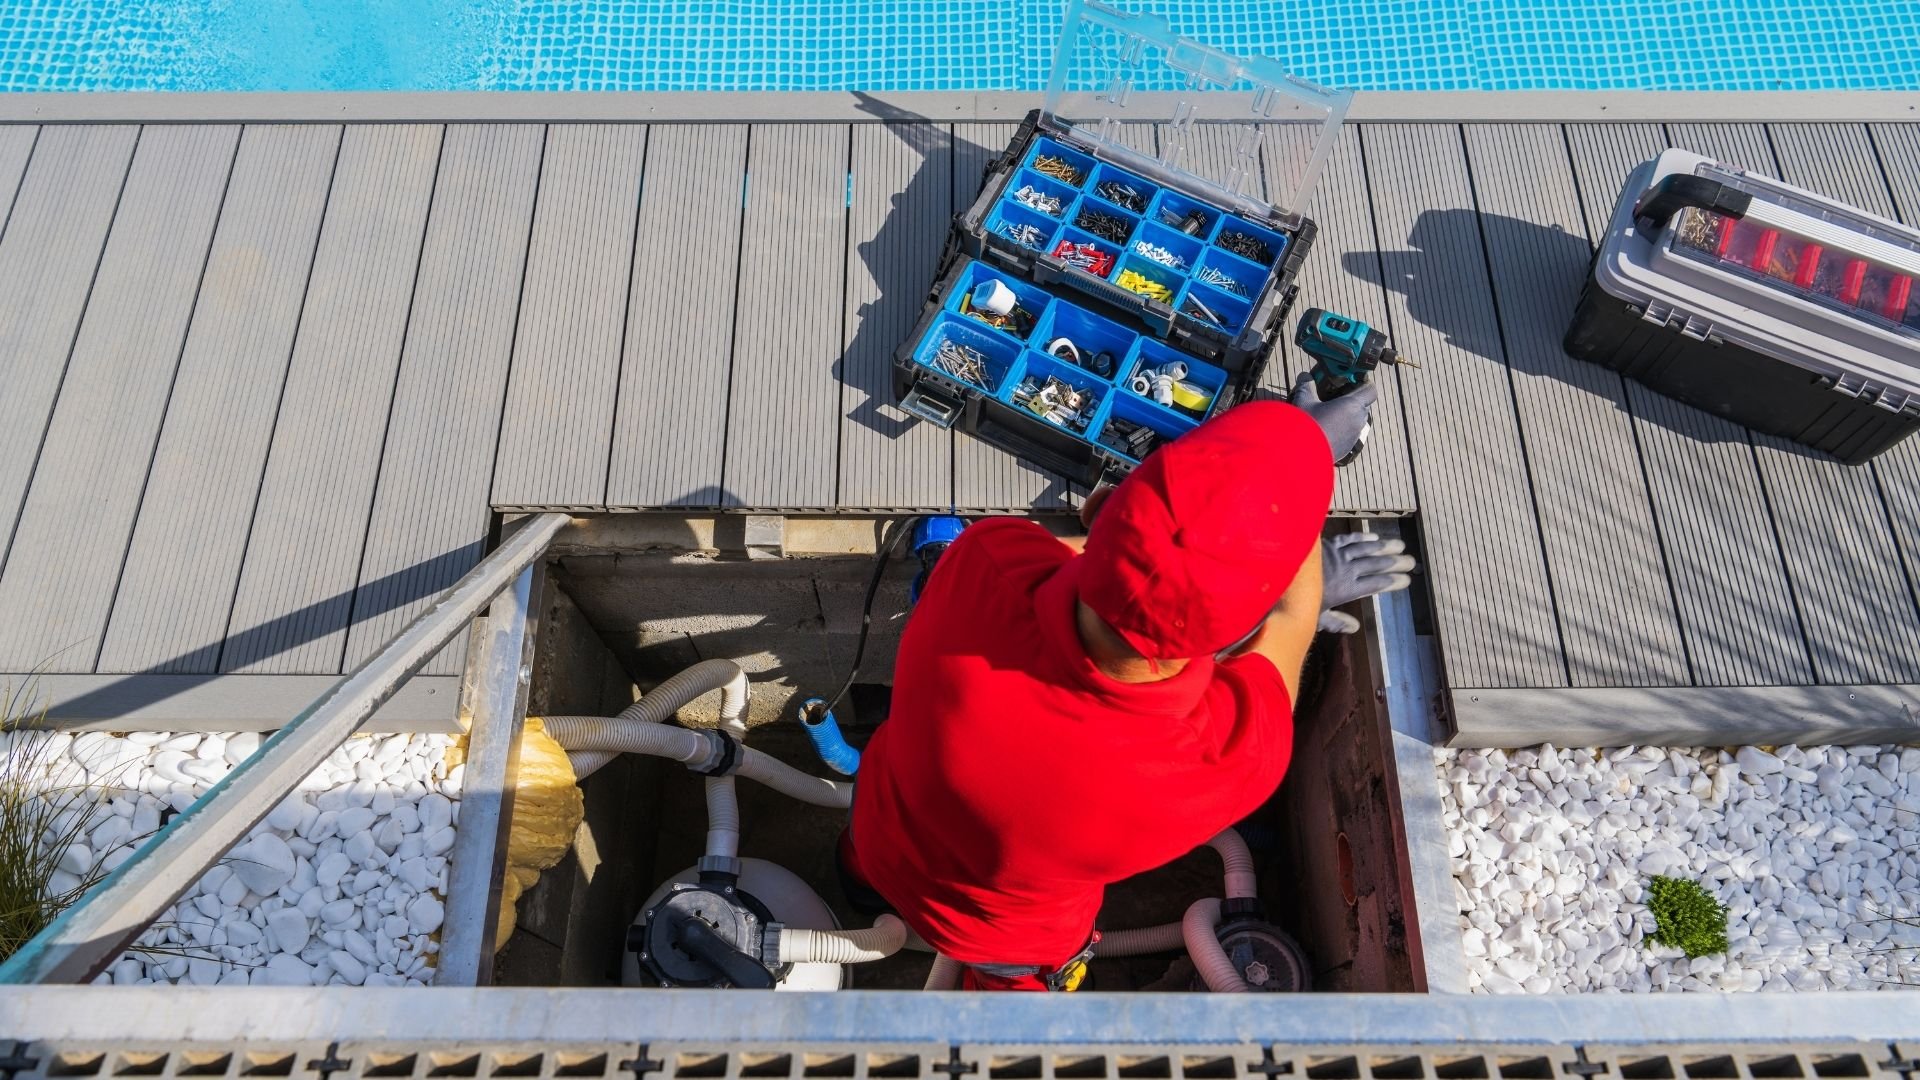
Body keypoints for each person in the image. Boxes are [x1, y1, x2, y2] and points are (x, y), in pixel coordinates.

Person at [838, 377, 1415, 991]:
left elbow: (1127, 568)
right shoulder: (1221, 761)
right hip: (1004, 940)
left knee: (864, 865)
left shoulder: (986, 561)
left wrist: (1286, 449)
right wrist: (1299, 475)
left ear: (1097, 508)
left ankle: (848, 888)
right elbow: (1290, 626)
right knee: (1014, 995)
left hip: (881, 831)